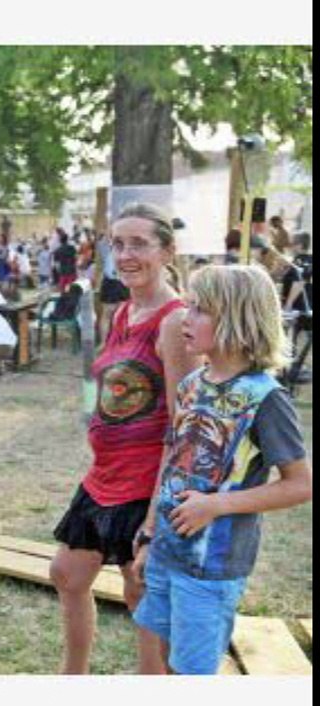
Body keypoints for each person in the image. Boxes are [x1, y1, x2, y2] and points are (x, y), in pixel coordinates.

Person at [131, 264, 312, 674]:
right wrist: (150, 537)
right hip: (167, 552)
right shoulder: (192, 383)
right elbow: (174, 459)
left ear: (236, 318)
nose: (184, 318)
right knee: (158, 655)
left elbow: (301, 485)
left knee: (192, 672)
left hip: (211, 567)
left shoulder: (266, 399)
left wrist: (217, 506)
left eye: (199, 310)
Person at [49, 203, 201, 674]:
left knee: (142, 597)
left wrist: (155, 520)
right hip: (104, 477)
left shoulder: (175, 321)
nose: (127, 254)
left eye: (140, 243)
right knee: (68, 575)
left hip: (144, 485)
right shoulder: (122, 312)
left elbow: (182, 426)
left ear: (167, 251)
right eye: (118, 244)